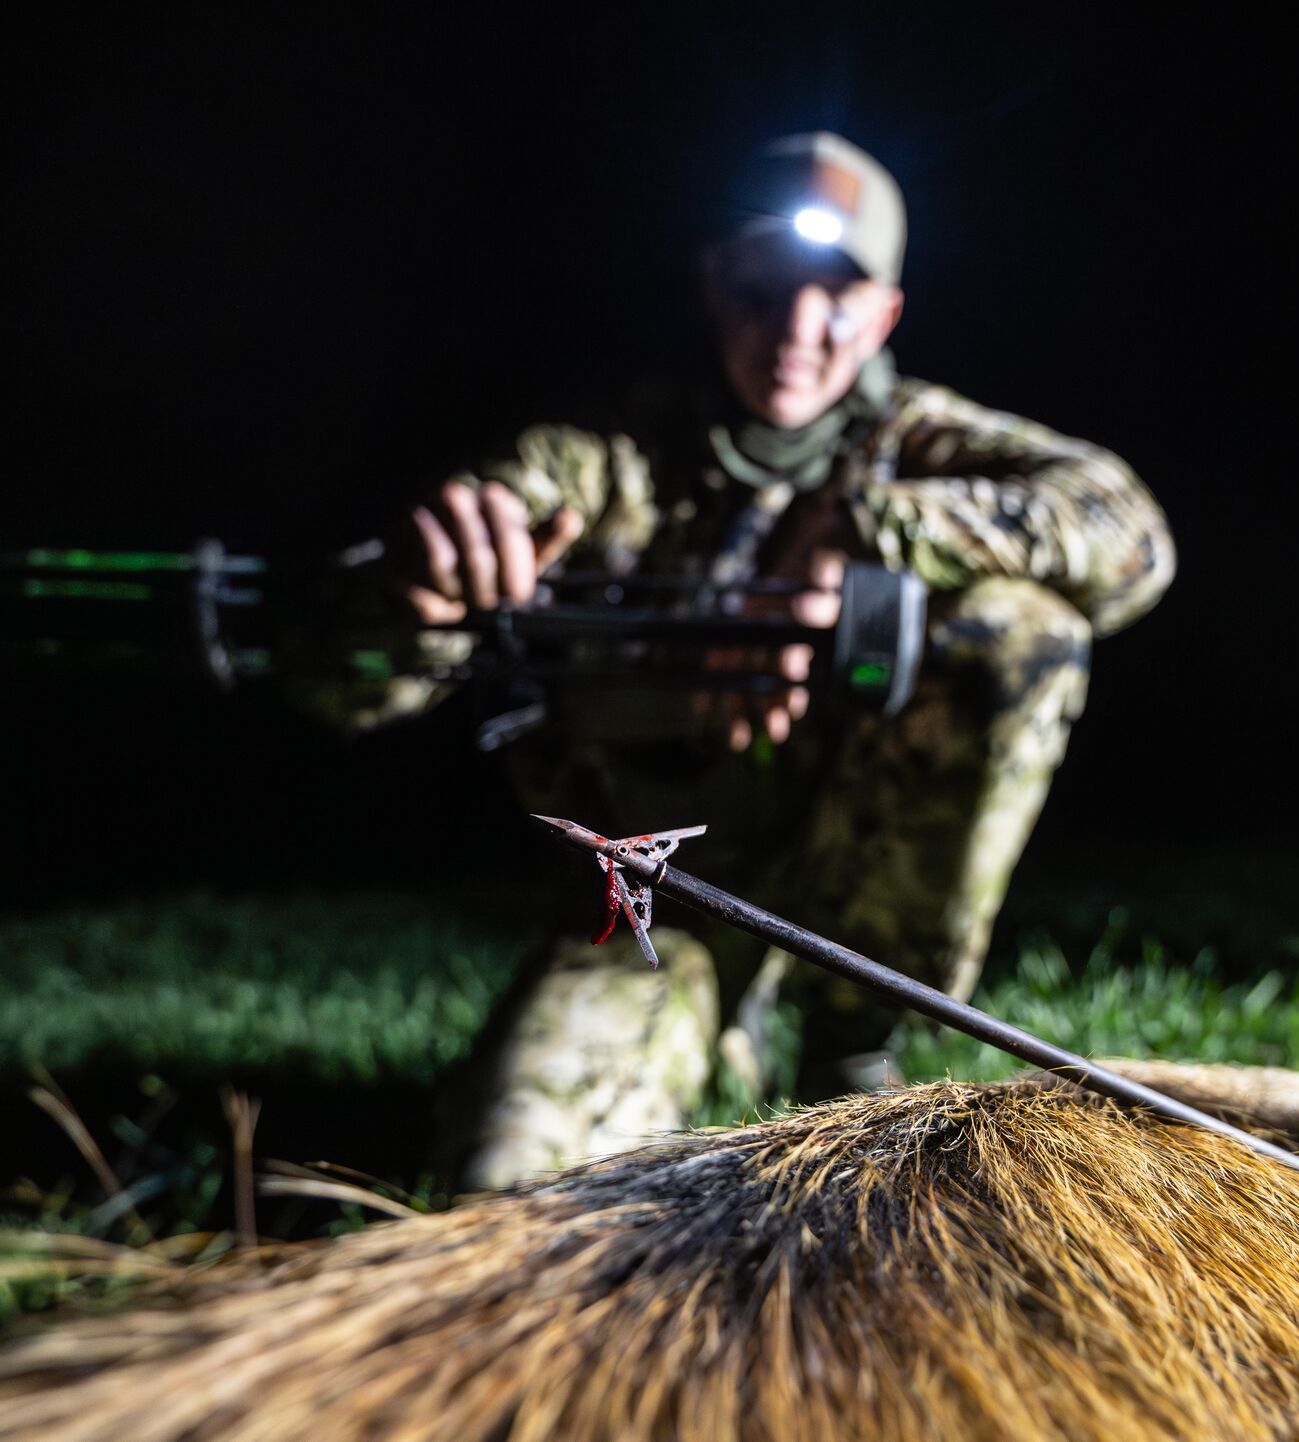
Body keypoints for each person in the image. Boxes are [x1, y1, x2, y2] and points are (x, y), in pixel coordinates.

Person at [297, 133, 1174, 1185]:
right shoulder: (610, 454)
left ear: (886, 312)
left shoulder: (916, 444)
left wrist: (870, 532)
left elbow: (1131, 536)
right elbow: (345, 681)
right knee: (510, 1187)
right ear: (718, 284)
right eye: (768, 284)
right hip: (657, 900)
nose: (797, 329)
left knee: (1023, 629)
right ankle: (712, 1020)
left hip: (849, 888)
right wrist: (423, 588)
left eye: (839, 294)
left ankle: (853, 1042)